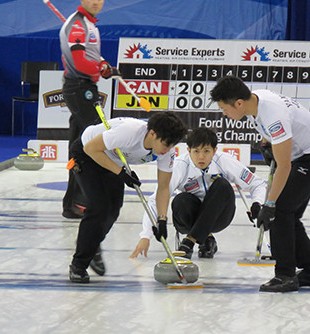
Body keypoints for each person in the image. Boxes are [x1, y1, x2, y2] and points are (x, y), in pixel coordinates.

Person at [210, 76, 310, 293]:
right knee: (289, 214)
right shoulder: (256, 101)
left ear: (238, 103)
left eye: (224, 108)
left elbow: (284, 166)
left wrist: (269, 203)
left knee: (280, 211)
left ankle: (285, 275)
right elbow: (275, 137)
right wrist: (268, 144)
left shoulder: (273, 115)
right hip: (302, 155)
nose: (224, 114)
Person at [68, 111, 187, 283]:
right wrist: (121, 173)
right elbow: (90, 149)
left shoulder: (166, 150)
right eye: (165, 144)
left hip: (114, 160)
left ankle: (91, 245)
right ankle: (78, 265)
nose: (167, 150)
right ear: (152, 134)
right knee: (99, 207)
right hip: (88, 154)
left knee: (113, 209)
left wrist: (161, 219)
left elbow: (163, 188)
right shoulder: (129, 132)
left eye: (172, 145)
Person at [130, 127, 266, 260]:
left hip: (219, 217)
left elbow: (257, 183)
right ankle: (207, 239)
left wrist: (257, 203)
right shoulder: (179, 165)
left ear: (214, 151)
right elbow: (157, 199)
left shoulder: (224, 160)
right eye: (196, 151)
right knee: (180, 200)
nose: (201, 156)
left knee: (223, 185)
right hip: (188, 218)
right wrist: (145, 236)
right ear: (188, 150)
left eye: (207, 151)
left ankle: (189, 242)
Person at [59, 0, 120, 219]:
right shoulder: (78, 25)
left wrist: (102, 68)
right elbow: (79, 63)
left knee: (78, 144)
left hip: (84, 87)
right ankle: (86, 199)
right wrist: (100, 70)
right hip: (79, 88)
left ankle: (72, 203)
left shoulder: (89, 24)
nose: (96, 2)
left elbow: (89, 60)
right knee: (93, 141)